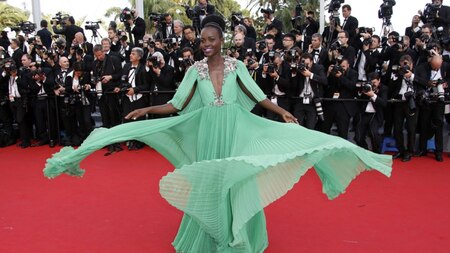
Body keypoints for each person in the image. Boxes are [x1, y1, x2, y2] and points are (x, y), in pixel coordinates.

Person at [44, 15, 392, 253]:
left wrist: (283, 111)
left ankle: (240, 237)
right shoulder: (194, 70)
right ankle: (207, 238)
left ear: (222, 41)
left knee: (237, 180)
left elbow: (258, 96)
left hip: (234, 130)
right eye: (202, 41)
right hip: (209, 133)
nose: (205, 45)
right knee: (210, 181)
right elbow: (177, 106)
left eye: (211, 40)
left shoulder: (237, 67)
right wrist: (148, 109)